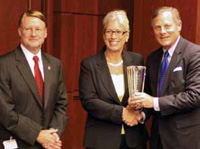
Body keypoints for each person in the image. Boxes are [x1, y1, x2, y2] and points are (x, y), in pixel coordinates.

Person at [129, 6, 200, 149]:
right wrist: (141, 114)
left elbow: (194, 96)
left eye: (167, 26)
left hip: (184, 139)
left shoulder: (195, 54)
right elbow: (149, 95)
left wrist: (154, 102)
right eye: (157, 27)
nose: (162, 32)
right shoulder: (153, 59)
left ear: (179, 25)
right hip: (158, 138)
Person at [79, 10, 148, 149]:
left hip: (134, 139)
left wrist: (141, 115)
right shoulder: (89, 64)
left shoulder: (137, 60)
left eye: (118, 32)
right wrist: (123, 113)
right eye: (109, 31)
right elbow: (89, 101)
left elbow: (147, 94)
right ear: (104, 35)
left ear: (127, 35)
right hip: (101, 140)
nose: (113, 36)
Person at [0, 10, 68, 149]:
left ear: (45, 33)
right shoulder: (4, 64)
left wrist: (52, 135)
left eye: (38, 29)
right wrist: (37, 134)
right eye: (28, 29)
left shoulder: (55, 65)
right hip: (17, 143)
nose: (33, 34)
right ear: (19, 31)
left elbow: (61, 104)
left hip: (49, 144)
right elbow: (5, 112)